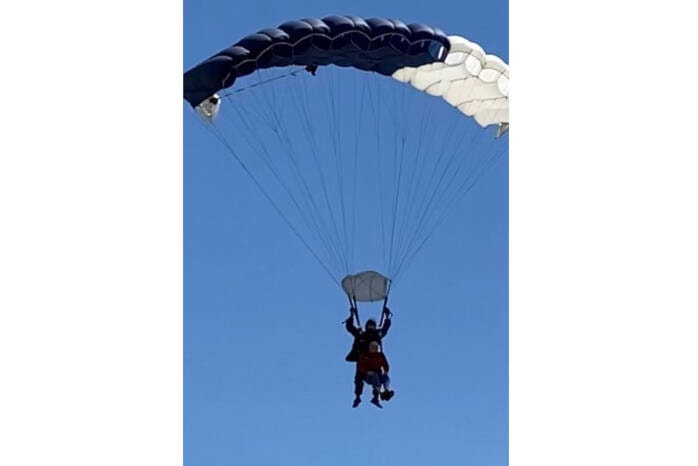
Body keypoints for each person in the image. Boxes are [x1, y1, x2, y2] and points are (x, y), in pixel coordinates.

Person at [353, 341, 395, 408]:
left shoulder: (380, 355)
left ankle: (386, 391)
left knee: (385, 378)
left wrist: (386, 371)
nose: (374, 349)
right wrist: (367, 372)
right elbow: (360, 367)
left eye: (375, 347)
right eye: (372, 347)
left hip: (378, 372)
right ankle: (379, 394)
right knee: (375, 378)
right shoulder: (365, 355)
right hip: (368, 375)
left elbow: (385, 364)